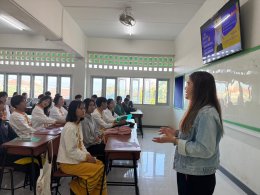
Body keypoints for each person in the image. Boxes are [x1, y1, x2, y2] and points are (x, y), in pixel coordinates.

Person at [152, 71, 223, 195]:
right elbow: (193, 135)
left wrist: (174, 140)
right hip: (190, 172)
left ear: (199, 88)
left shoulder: (207, 114)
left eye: (189, 83)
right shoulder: (198, 110)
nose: (185, 87)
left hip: (198, 177)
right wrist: (176, 133)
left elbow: (204, 149)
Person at [57, 100, 107, 195]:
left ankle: (93, 192)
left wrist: (88, 155)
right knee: (99, 169)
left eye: (84, 108)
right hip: (68, 163)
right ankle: (77, 189)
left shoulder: (77, 124)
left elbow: (81, 145)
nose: (83, 110)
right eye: (81, 108)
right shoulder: (70, 127)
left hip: (76, 159)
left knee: (100, 164)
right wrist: (87, 157)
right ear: (73, 111)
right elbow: (71, 151)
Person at [82, 98, 105, 163]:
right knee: (105, 149)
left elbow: (95, 130)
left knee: (106, 144)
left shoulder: (91, 117)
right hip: (88, 147)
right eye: (90, 105)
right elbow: (86, 140)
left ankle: (103, 167)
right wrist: (97, 140)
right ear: (85, 106)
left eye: (93, 105)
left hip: (94, 142)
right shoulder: (84, 120)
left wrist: (99, 136)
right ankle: (102, 167)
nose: (93, 107)